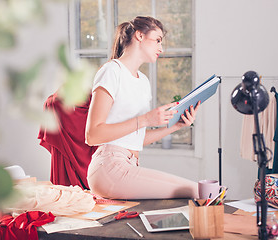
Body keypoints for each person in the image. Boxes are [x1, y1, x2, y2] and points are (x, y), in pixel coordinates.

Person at [85, 16, 200, 199]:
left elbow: (136, 139)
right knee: (197, 191)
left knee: (199, 189)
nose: (161, 48)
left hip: (129, 164)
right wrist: (146, 119)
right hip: (108, 166)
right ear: (139, 35)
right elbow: (92, 135)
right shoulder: (112, 71)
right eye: (158, 40)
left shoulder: (143, 82)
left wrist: (176, 126)